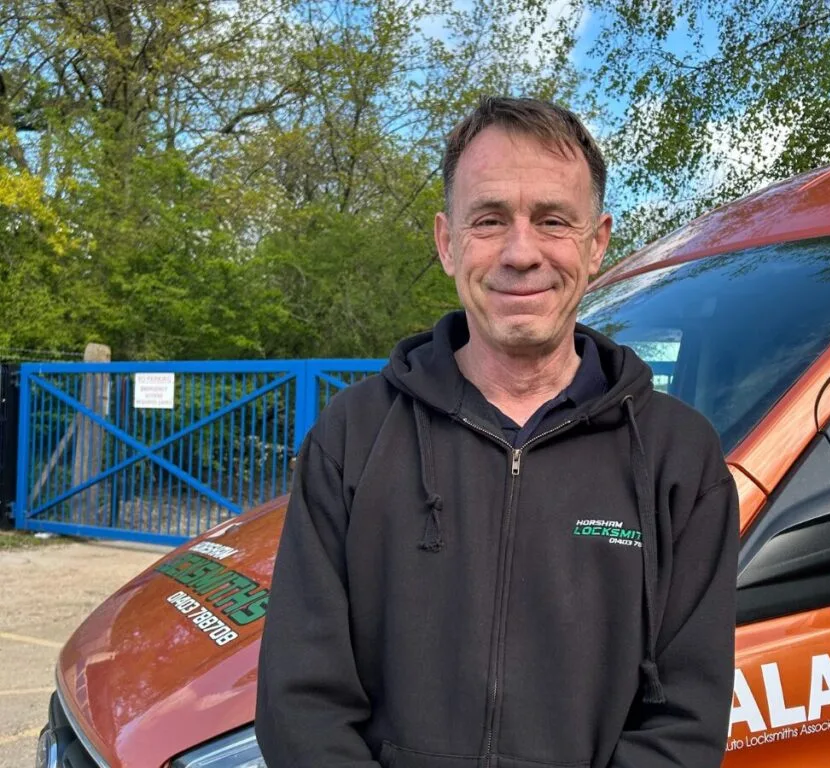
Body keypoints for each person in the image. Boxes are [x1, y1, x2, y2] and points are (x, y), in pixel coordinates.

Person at [255, 96, 739, 768]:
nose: (521, 253)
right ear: (447, 243)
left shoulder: (679, 458)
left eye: (552, 220)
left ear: (596, 244)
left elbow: (685, 725)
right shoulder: (353, 434)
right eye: (488, 220)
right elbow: (299, 701)